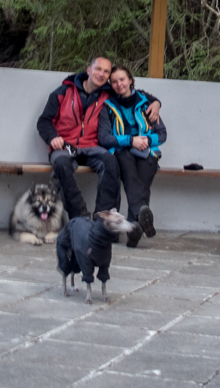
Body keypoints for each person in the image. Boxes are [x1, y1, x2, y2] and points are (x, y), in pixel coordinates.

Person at [36, 56, 160, 220]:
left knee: (111, 161)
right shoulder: (63, 92)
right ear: (89, 70)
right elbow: (44, 121)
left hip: (93, 146)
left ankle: (103, 219)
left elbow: (136, 94)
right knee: (61, 165)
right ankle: (80, 216)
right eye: (98, 69)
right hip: (65, 146)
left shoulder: (108, 94)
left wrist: (156, 102)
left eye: (106, 72)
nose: (101, 74)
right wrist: (52, 137)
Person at [97, 65, 166, 248]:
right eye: (114, 81)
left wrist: (145, 140)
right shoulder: (108, 107)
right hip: (123, 151)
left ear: (130, 80)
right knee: (132, 177)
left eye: (122, 79)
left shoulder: (147, 104)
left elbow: (162, 134)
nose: (119, 84)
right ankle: (139, 222)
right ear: (110, 85)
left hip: (147, 151)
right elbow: (104, 138)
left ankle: (134, 227)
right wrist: (131, 140)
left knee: (140, 183)